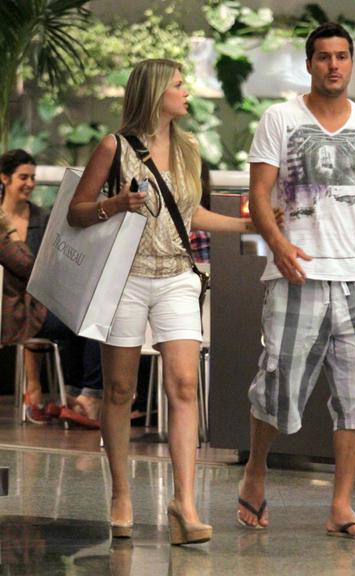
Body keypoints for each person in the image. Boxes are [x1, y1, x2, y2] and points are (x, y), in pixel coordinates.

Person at [67, 58, 257, 544]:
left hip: (177, 276)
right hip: (124, 278)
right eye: (178, 85)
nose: (186, 91)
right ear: (155, 93)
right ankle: (121, 495)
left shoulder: (190, 148)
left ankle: (184, 504)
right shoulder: (114, 146)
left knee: (185, 386)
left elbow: (190, 213)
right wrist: (115, 204)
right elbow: (77, 212)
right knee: (118, 390)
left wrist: (248, 225)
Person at [238, 22, 355, 541]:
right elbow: (259, 196)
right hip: (298, 272)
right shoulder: (280, 117)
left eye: (342, 56)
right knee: (278, 383)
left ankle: (340, 504)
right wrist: (280, 246)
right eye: (324, 57)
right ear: (310, 64)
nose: (334, 65)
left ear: (351, 64)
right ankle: (256, 468)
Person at [0, 150, 102, 427]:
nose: (30, 183)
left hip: (41, 302)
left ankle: (73, 393)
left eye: (33, 178)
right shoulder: (2, 225)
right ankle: (87, 396)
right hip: (15, 309)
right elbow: (31, 268)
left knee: (77, 315)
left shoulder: (42, 218)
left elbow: (56, 263)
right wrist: (9, 231)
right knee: (86, 321)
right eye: (24, 177)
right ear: (4, 179)